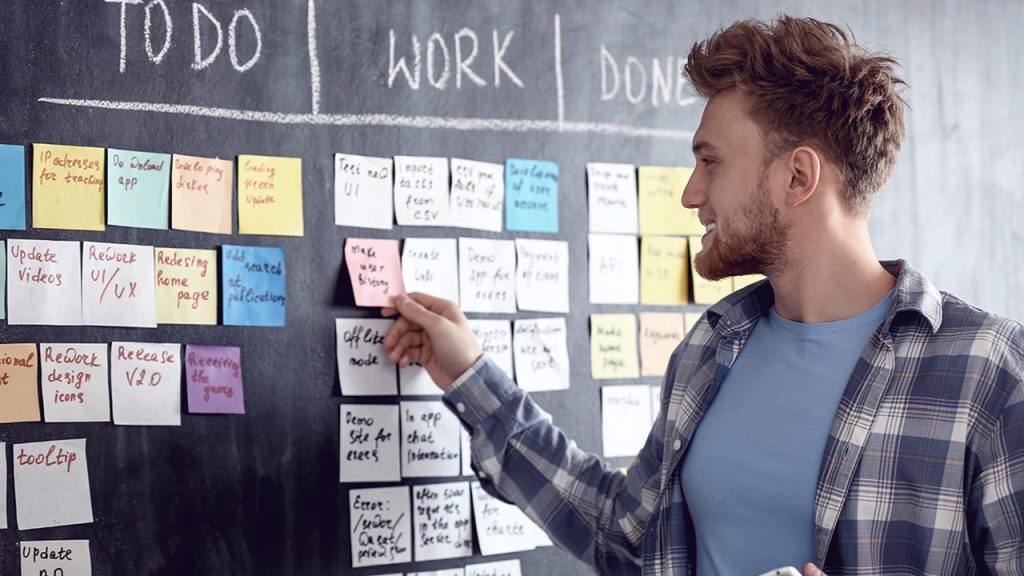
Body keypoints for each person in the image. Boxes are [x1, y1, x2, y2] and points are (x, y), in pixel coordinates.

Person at [382, 16, 1024, 576]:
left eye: (710, 161)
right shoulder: (710, 353)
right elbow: (625, 538)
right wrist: (469, 373)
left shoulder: (989, 374)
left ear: (798, 176)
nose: (691, 194)